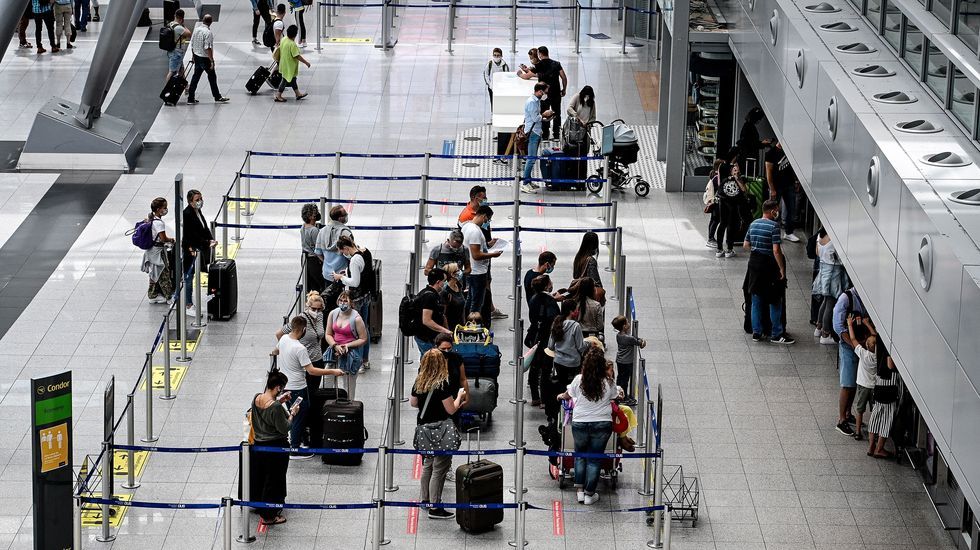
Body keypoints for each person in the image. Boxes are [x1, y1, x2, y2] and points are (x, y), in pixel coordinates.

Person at [556, 346, 619, 505]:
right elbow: (614, 396)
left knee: (580, 456)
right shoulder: (608, 382)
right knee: (594, 459)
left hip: (580, 422)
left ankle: (579, 491)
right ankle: (590, 494)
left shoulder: (579, 379)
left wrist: (559, 397)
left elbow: (568, 395)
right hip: (602, 423)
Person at [273, 315, 343, 456]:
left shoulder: (284, 339)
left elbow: (276, 351)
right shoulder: (300, 348)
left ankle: (300, 441)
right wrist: (333, 371)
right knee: (298, 417)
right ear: (304, 329)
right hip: (297, 388)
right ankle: (295, 448)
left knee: (297, 414)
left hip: (286, 386)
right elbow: (312, 370)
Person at [410, 349, 466, 520]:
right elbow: (451, 409)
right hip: (440, 430)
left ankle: (425, 500)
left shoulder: (419, 381)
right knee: (440, 468)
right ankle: (436, 506)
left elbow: (413, 403)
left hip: (424, 428)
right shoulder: (443, 384)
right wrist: (459, 396)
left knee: (427, 464)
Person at [248, 369, 300, 526]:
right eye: (281, 389)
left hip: (259, 446)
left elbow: (266, 413)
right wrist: (292, 413)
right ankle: (269, 515)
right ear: (278, 387)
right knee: (274, 480)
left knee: (261, 477)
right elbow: (285, 428)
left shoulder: (257, 398)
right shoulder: (276, 407)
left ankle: (259, 505)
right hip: (275, 447)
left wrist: (280, 401)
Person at [275, 291, 329, 438]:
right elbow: (280, 333)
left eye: (319, 309)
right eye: (314, 309)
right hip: (303, 362)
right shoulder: (299, 319)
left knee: (311, 396)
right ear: (307, 307)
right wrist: (285, 348)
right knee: (301, 400)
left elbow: (321, 334)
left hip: (317, 358)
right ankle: (299, 429)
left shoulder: (320, 317)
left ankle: (306, 426)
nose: (317, 312)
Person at [742, 199, 795, 345]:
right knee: (775, 300)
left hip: (754, 264)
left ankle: (756, 332)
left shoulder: (753, 223)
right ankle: (777, 334)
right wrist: (781, 269)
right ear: (772, 211)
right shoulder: (774, 226)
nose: (777, 212)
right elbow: (776, 250)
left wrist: (757, 247)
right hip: (769, 266)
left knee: (756, 300)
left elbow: (746, 245)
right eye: (776, 210)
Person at [332, 235, 375, 371]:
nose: (343, 254)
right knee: (365, 328)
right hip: (366, 294)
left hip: (357, 299)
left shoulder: (354, 260)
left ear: (345, 248)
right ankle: (365, 359)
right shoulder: (365, 251)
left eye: (342, 251)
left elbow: (355, 282)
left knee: (358, 331)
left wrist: (341, 277)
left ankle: (360, 362)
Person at [832, 288, 866, 436]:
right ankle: (841, 420)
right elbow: (838, 326)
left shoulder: (866, 297)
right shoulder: (846, 298)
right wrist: (853, 344)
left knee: (853, 384)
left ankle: (847, 413)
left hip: (860, 345)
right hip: (849, 346)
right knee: (847, 384)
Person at [323, 291, 368, 398]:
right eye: (341, 300)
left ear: (351, 302)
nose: (342, 303)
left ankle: (348, 406)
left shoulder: (357, 319)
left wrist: (347, 345)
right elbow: (328, 334)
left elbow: (363, 338)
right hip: (334, 352)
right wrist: (335, 345)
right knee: (326, 381)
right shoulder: (333, 314)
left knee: (348, 386)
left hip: (350, 355)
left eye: (345, 301)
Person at [518, 46, 567, 140]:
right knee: (557, 113)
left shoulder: (539, 65)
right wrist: (564, 89)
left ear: (540, 54)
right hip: (556, 93)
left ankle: (545, 135)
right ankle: (556, 135)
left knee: (544, 113)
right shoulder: (556, 64)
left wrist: (520, 74)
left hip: (544, 94)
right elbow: (564, 77)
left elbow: (527, 76)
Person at [461, 205, 502, 317]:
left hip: (471, 270)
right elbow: (476, 255)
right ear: (484, 216)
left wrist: (488, 245)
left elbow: (474, 248)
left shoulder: (467, 226)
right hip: (477, 273)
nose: (487, 222)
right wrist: (493, 255)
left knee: (470, 299)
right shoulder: (475, 231)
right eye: (488, 219)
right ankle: (473, 325)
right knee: (476, 303)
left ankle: (466, 321)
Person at [527, 275, 560, 406]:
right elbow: (554, 318)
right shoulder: (549, 301)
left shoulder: (534, 298)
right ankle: (545, 399)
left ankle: (535, 396)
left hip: (535, 335)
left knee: (534, 367)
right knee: (546, 369)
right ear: (547, 286)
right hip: (546, 337)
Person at [182, 189, 216, 310]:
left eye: (201, 199)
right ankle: (188, 303)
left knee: (192, 273)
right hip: (190, 248)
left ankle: (177, 297)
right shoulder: (187, 214)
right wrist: (207, 242)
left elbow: (204, 227)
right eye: (197, 200)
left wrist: (211, 239)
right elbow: (192, 235)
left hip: (198, 247)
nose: (200, 201)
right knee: (189, 275)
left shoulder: (198, 211)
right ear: (190, 201)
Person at [813, 229, 848, 344]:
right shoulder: (834, 240)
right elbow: (841, 259)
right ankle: (825, 334)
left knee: (825, 301)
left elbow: (817, 253)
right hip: (834, 273)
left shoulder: (819, 236)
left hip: (823, 271)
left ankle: (818, 327)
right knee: (830, 303)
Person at [187, 15, 230, 104]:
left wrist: (193, 56)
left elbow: (192, 44)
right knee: (212, 77)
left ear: (203, 21)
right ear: (211, 22)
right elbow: (208, 48)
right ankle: (217, 96)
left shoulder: (196, 30)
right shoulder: (208, 33)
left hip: (197, 56)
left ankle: (190, 98)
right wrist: (211, 61)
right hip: (205, 58)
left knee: (195, 77)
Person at [520, 82, 554, 193]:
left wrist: (544, 119)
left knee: (532, 158)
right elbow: (535, 118)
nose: (545, 94)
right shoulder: (531, 102)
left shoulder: (536, 101)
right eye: (545, 92)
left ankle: (528, 181)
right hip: (533, 133)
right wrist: (545, 114)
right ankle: (525, 183)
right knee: (531, 158)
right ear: (539, 91)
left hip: (537, 131)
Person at [548, 299, 589, 390]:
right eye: (576, 309)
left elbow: (550, 345)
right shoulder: (575, 326)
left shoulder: (556, 323)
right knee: (572, 388)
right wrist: (588, 343)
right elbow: (581, 347)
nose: (578, 311)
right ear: (571, 311)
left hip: (559, 361)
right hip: (573, 363)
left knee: (561, 385)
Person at [764, 140, 800, 242]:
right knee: (772, 210)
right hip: (776, 186)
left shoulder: (790, 151)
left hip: (789, 185)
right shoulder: (771, 153)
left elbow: (794, 168)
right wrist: (772, 189)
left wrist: (796, 182)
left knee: (791, 209)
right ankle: (770, 233)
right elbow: (769, 173)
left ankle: (788, 233)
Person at [141, 198, 175, 304]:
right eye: (164, 208)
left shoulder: (151, 218)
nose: (166, 210)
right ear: (158, 209)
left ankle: (153, 295)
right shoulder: (159, 223)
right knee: (163, 272)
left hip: (151, 250)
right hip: (158, 252)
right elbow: (163, 238)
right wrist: (172, 240)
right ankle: (170, 297)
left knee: (155, 273)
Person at [867, 352, 900, 459]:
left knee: (876, 416)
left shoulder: (881, 340)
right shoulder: (891, 345)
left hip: (879, 381)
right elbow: (890, 365)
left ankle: (871, 446)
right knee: (887, 419)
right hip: (889, 384)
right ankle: (879, 449)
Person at [315, 205, 353, 298]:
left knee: (329, 301)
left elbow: (318, 252)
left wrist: (327, 262)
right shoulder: (346, 233)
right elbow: (351, 254)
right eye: (345, 214)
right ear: (340, 218)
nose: (347, 216)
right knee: (343, 301)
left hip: (327, 274)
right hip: (343, 276)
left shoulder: (322, 231)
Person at [850, 316, 877, 441]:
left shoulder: (863, 354)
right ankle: (874, 432)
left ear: (866, 344)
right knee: (873, 411)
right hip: (874, 386)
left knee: (860, 410)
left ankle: (858, 432)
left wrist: (850, 324)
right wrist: (868, 324)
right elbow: (874, 336)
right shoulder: (877, 356)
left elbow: (853, 339)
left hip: (862, 384)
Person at [415, 269, 452, 356]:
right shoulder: (429, 296)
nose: (445, 283)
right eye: (444, 281)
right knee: (429, 362)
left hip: (429, 336)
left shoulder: (431, 293)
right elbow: (427, 320)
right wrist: (445, 331)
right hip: (426, 337)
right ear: (438, 282)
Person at [715, 163, 747, 258]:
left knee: (731, 226)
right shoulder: (726, 179)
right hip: (725, 204)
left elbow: (744, 191)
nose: (736, 172)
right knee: (723, 224)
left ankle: (729, 248)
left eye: (737, 170)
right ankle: (719, 248)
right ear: (731, 171)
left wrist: (737, 178)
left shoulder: (741, 180)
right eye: (734, 170)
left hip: (734, 205)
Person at [612, 315, 645, 405]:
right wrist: (643, 341)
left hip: (619, 360)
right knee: (625, 380)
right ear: (624, 326)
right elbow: (640, 343)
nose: (629, 323)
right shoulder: (628, 338)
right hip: (627, 362)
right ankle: (624, 397)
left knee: (620, 378)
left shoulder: (618, 335)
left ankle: (618, 393)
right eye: (627, 322)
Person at [273, 25, 310, 102]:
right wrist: (306, 63)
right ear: (295, 35)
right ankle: (278, 95)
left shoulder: (284, 39)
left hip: (284, 64)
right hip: (289, 66)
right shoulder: (292, 44)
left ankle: (298, 94)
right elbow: (297, 56)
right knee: (284, 80)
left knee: (293, 79)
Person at [300, 203, 325, 293]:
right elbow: (318, 248)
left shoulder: (303, 227)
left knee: (311, 286)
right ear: (311, 217)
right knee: (321, 285)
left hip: (305, 259)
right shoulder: (314, 230)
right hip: (315, 260)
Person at [164, 10, 192, 85]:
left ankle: (186, 87)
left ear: (175, 16)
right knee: (172, 71)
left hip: (172, 50)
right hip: (177, 52)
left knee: (181, 70)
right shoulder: (179, 28)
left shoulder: (170, 24)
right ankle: (166, 89)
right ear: (182, 18)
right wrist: (183, 25)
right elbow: (189, 34)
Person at [704, 159, 725, 248]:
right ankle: (711, 238)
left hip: (714, 202)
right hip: (717, 202)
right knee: (716, 220)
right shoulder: (717, 178)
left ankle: (710, 237)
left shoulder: (715, 176)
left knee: (713, 220)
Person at [441, 263, 466, 331]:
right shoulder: (445, 291)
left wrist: (464, 324)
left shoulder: (458, 285)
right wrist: (447, 331)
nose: (460, 272)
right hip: (450, 328)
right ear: (452, 274)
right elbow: (443, 314)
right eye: (458, 270)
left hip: (460, 326)